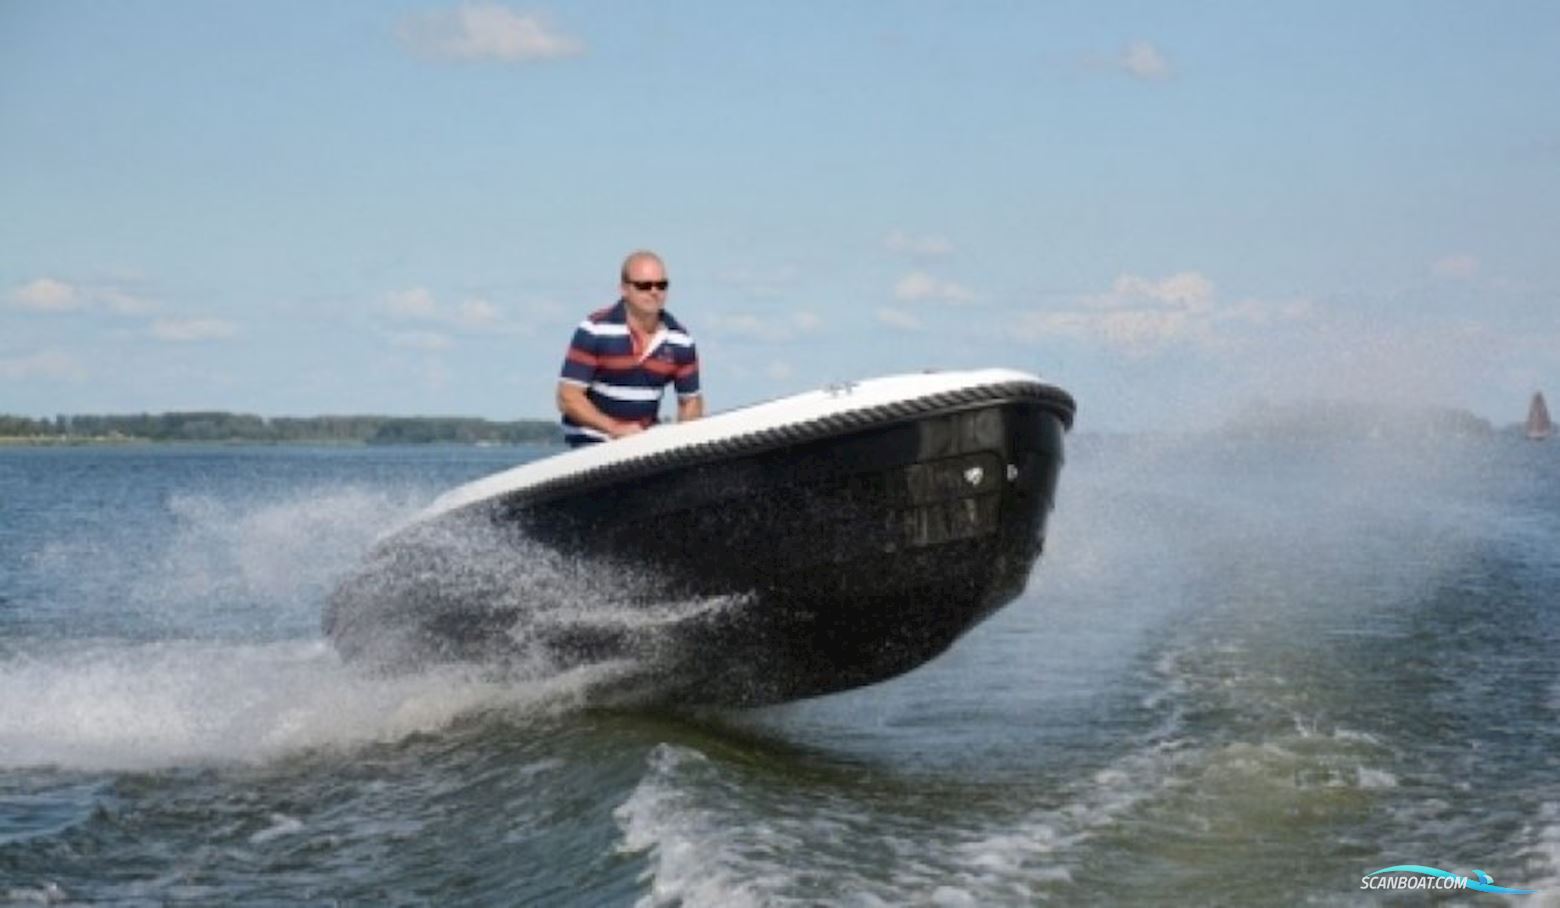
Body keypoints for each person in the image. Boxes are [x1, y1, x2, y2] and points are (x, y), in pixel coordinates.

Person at [556, 250, 703, 446]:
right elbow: (567, 396)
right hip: (589, 444)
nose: (654, 291)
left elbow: (691, 401)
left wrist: (682, 443)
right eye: (644, 286)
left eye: (661, 285)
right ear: (624, 289)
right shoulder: (595, 330)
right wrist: (614, 428)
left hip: (640, 444)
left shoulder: (681, 341)